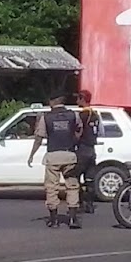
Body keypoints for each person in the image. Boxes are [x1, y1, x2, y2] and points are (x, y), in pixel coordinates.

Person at [27, 94, 84, 228]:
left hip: (53, 155)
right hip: (69, 154)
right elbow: (79, 130)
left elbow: (39, 137)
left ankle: (54, 220)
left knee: (52, 187)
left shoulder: (45, 118)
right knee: (72, 186)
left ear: (53, 101)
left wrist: (32, 154)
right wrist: (74, 140)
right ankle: (72, 219)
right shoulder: (73, 115)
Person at [72, 89, 100, 213]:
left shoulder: (81, 115)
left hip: (82, 149)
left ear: (82, 99)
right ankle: (90, 204)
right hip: (92, 150)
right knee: (90, 179)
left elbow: (77, 132)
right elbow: (100, 131)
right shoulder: (95, 115)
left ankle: (80, 203)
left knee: (75, 177)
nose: (76, 100)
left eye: (78, 98)